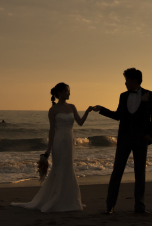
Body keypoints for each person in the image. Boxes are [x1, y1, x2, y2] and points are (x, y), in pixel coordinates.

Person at [12, 83, 92, 212]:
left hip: (69, 141)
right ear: (59, 93)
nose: (69, 93)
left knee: (68, 168)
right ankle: (55, 199)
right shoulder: (53, 110)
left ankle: (69, 200)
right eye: (66, 91)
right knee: (59, 167)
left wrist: (87, 112)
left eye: (69, 91)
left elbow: (80, 123)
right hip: (59, 142)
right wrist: (48, 149)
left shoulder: (72, 107)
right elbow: (52, 130)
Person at [92, 67, 152, 215]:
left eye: (127, 80)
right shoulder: (123, 96)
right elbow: (117, 116)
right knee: (117, 171)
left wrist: (149, 135)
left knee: (140, 173)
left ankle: (139, 207)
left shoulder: (149, 95)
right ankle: (110, 206)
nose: (125, 83)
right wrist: (101, 109)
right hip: (124, 139)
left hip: (141, 139)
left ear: (134, 81)